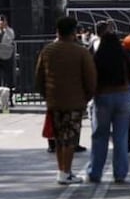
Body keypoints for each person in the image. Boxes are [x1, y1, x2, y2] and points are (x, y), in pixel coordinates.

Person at [35, 16, 96, 185]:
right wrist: (87, 97)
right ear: (74, 32)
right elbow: (91, 79)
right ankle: (66, 172)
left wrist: (46, 95)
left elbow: (38, 77)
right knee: (70, 138)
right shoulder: (81, 52)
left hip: (54, 101)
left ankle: (61, 170)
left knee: (58, 138)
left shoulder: (47, 51)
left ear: (58, 31)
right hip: (75, 103)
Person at [87, 32, 130, 183]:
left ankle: (95, 172)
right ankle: (120, 173)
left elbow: (92, 77)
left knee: (100, 135)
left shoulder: (98, 58)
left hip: (102, 96)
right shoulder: (123, 56)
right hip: (122, 96)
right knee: (120, 137)